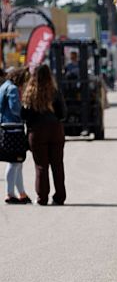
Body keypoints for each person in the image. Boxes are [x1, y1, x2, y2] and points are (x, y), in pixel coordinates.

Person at [21, 64, 67, 206]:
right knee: (57, 165)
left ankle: (42, 198)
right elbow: (63, 114)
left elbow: (23, 114)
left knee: (41, 166)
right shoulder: (55, 91)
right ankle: (59, 197)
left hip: (37, 131)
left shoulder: (30, 92)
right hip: (55, 129)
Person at [1, 68, 32, 204]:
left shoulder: (4, 86)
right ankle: (10, 193)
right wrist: (24, 112)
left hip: (5, 126)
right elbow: (14, 108)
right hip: (13, 127)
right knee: (15, 161)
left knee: (17, 162)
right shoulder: (12, 89)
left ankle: (22, 193)